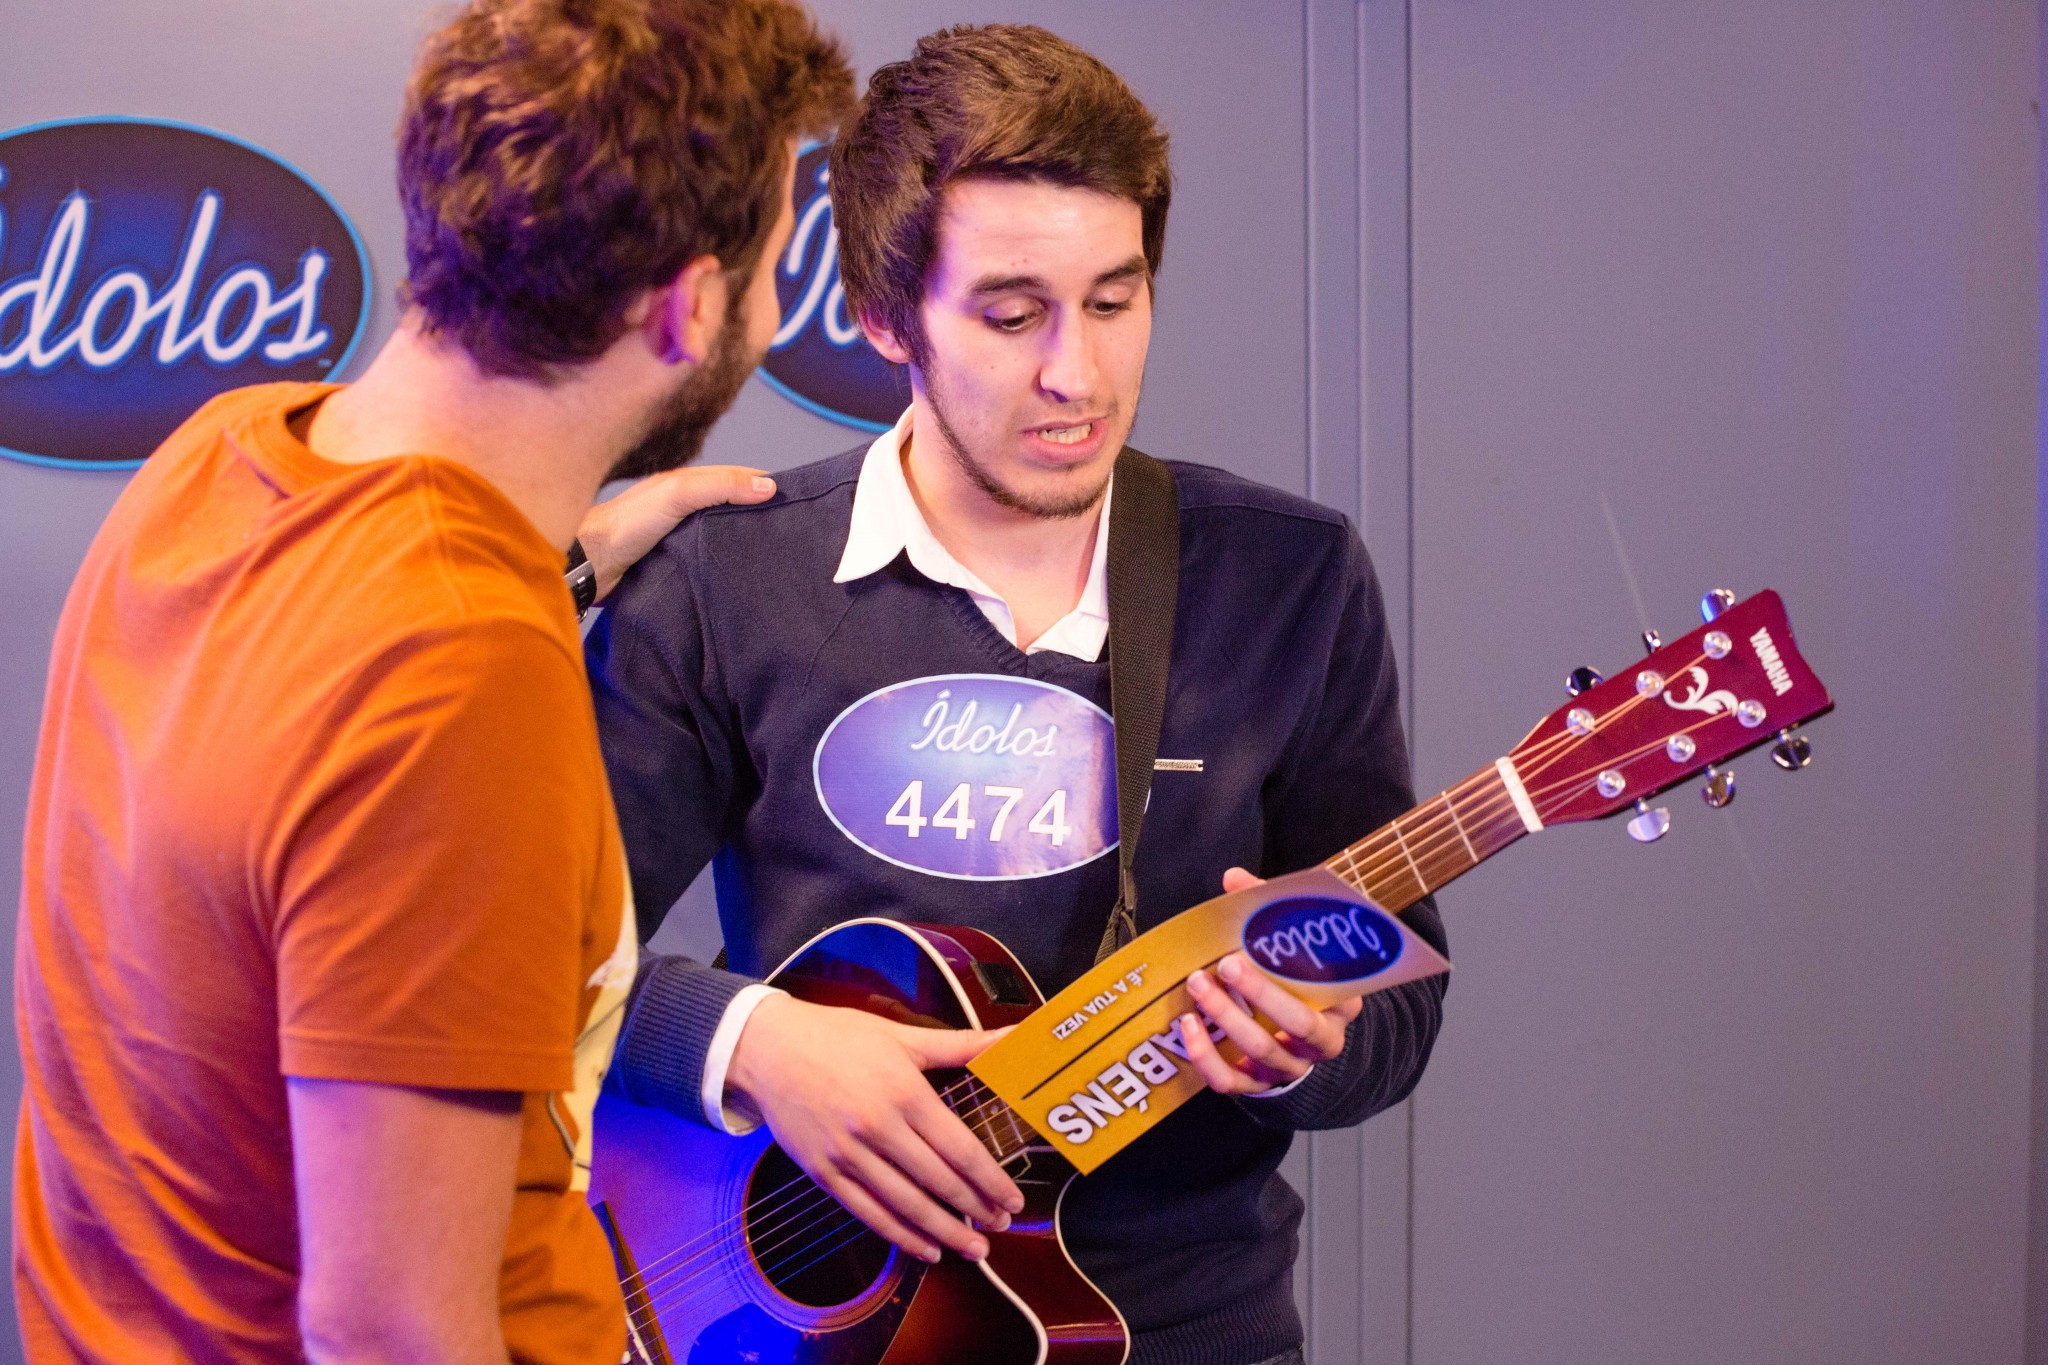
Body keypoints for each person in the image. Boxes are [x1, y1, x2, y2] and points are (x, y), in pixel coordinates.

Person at [586, 23, 1448, 1365]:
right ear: (885, 317)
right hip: (821, 1328)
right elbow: (529, 959)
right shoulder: (726, 580)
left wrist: (1311, 1046)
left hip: (1193, 1330)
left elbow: (1394, 1010)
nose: (1076, 376)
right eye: (1010, 314)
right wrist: (753, 1042)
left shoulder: (1289, 575)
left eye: (1112, 302)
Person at [11, 2, 852, 1360]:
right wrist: (498, 612)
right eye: (773, 265)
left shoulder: (225, 454)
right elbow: (392, 1329)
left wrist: (563, 559)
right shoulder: (461, 678)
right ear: (690, 306)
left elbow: (342, 681)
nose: (771, 309)